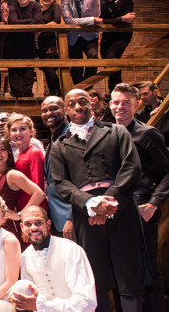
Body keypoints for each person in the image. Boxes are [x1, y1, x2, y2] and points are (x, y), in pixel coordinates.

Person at [49, 88, 142, 311]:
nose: (78, 107)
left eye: (83, 102)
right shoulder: (59, 144)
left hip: (121, 207)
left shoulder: (117, 131)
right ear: (66, 110)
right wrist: (92, 205)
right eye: (72, 104)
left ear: (92, 104)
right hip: (86, 214)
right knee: (95, 277)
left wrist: (107, 203)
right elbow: (61, 183)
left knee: (128, 276)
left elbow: (132, 167)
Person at [109, 83, 169, 311]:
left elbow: (167, 172)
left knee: (148, 269)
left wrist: (153, 204)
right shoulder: (105, 134)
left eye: (125, 102)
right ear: (110, 105)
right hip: (114, 209)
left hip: (141, 206)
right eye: (116, 102)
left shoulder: (148, 134)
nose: (120, 107)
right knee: (117, 267)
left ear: (136, 104)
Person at [8, 206, 97, 312]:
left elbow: (87, 303)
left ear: (48, 224)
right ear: (22, 227)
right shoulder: (24, 257)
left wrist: (42, 306)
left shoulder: (70, 250)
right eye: (28, 224)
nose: (33, 228)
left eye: (38, 223)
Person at [0, 136, 46, 244]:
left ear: (9, 153)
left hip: (9, 232)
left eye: (2, 149)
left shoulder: (12, 175)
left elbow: (39, 194)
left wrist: (20, 215)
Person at [40, 96, 73, 239]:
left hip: (70, 217)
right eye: (44, 110)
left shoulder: (72, 136)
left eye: (53, 108)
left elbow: (79, 179)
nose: (48, 113)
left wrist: (71, 218)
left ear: (65, 110)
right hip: (57, 215)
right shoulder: (53, 139)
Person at [60, 0, 102, 84]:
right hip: (73, 37)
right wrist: (90, 20)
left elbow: (96, 16)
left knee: (93, 57)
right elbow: (69, 20)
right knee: (76, 68)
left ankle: (87, 86)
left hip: (90, 35)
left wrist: (91, 20)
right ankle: (79, 89)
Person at [100, 0, 135, 90]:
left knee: (111, 58)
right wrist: (120, 18)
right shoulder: (99, 0)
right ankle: (118, 89)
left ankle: (114, 90)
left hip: (123, 34)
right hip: (107, 35)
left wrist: (109, 20)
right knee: (107, 63)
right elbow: (101, 21)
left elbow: (128, 20)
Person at [5, 113, 46, 211]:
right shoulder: (19, 154)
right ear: (10, 134)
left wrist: (24, 213)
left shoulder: (34, 152)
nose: (18, 133)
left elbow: (39, 187)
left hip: (34, 208)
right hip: (23, 205)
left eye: (23, 129)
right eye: (14, 130)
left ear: (31, 132)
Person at [6, 0, 42, 97]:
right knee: (14, 70)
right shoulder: (12, 6)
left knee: (28, 70)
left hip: (28, 42)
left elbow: (39, 20)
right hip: (13, 43)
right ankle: (16, 95)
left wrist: (26, 22)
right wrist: (31, 21)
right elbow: (13, 21)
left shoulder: (35, 5)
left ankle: (27, 94)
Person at [38, 0, 62, 96]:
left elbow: (56, 21)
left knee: (49, 68)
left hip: (52, 42)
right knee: (46, 69)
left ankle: (56, 92)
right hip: (41, 42)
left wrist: (40, 28)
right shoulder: (40, 9)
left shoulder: (55, 7)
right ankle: (53, 92)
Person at [135, 81, 169, 145]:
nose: (142, 97)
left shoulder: (167, 109)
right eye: (140, 95)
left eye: (145, 94)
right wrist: (150, 118)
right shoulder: (139, 114)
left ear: (155, 92)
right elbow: (139, 136)